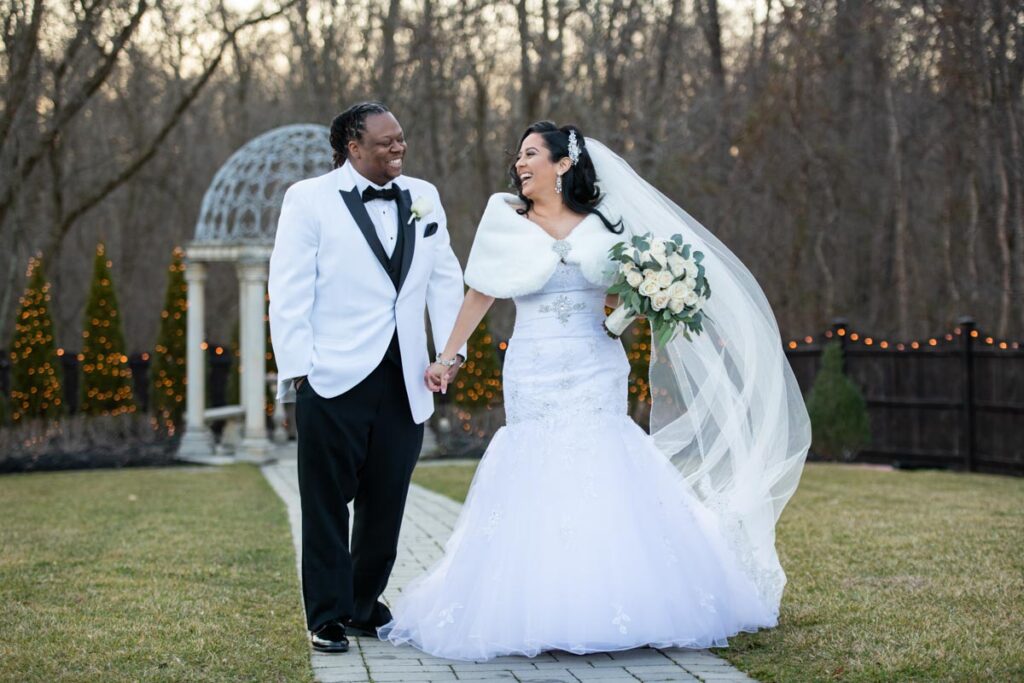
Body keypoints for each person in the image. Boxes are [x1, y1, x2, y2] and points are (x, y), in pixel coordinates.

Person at [377, 121, 811, 661]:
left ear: (563, 164)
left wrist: (653, 295)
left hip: (595, 363)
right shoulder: (506, 222)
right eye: (518, 156)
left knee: (603, 458)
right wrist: (447, 357)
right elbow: (480, 293)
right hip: (533, 365)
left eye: (531, 154)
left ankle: (622, 599)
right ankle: (540, 603)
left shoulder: (604, 223)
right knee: (536, 464)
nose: (520, 163)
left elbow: (615, 296)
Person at [268, 102, 466, 654]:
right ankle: (327, 616)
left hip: (407, 377)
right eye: (386, 141)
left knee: (387, 502)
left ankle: (362, 604)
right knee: (326, 504)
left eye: (401, 138)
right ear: (352, 147)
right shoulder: (308, 199)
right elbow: (288, 287)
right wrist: (300, 373)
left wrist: (451, 354)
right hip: (332, 377)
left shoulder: (424, 196)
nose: (398, 147)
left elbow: (445, 277)